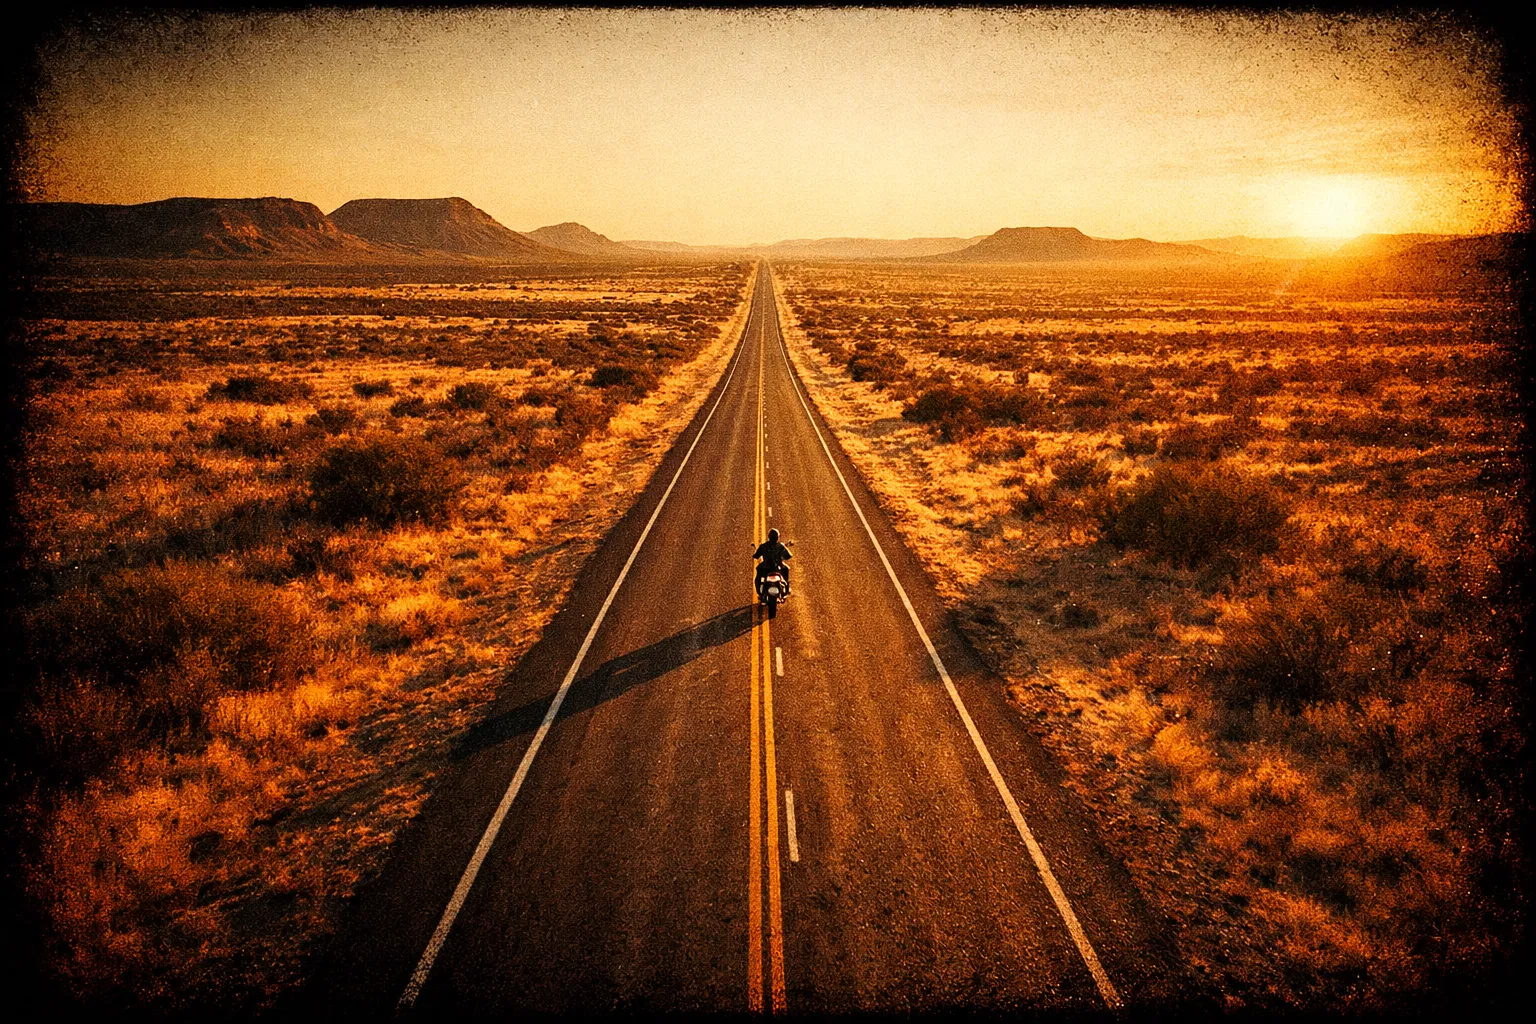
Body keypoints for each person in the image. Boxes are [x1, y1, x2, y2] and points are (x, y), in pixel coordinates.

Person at [753, 528, 792, 597]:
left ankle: (759, 591)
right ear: (777, 537)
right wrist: (782, 558)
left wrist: (755, 553)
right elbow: (789, 556)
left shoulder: (763, 546)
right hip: (778, 567)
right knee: (786, 569)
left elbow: (756, 556)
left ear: (769, 537)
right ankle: (786, 588)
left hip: (765, 568)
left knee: (758, 573)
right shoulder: (780, 546)